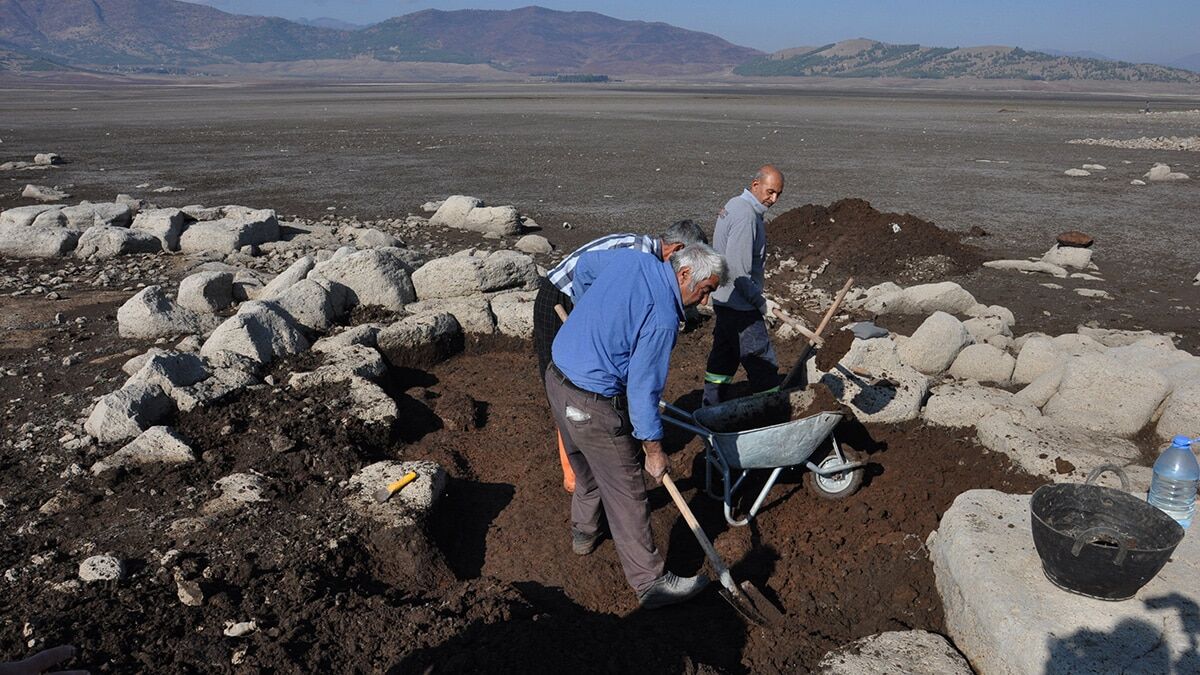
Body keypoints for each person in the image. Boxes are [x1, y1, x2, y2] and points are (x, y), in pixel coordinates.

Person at [545, 243, 727, 609]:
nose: (705, 301)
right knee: (627, 491)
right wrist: (653, 451)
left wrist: (589, 316)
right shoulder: (663, 319)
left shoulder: (633, 259)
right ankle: (650, 583)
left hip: (557, 376)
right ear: (684, 274)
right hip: (592, 402)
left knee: (585, 465)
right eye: (705, 290)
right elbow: (643, 391)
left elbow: (585, 267)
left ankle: (584, 533)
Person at [533, 219, 708, 493]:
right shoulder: (638, 256)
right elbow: (585, 270)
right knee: (568, 384)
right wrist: (588, 316)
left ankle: (616, 445)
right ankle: (576, 474)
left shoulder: (651, 261)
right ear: (677, 250)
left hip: (578, 294)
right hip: (561, 294)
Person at [703, 165, 785, 407]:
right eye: (770, 192)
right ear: (755, 185)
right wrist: (761, 302)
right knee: (762, 362)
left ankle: (710, 406)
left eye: (778, 194)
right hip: (740, 305)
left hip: (723, 299)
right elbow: (738, 272)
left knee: (724, 357)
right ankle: (771, 411)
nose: (774, 199)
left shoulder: (734, 204)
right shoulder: (746, 216)